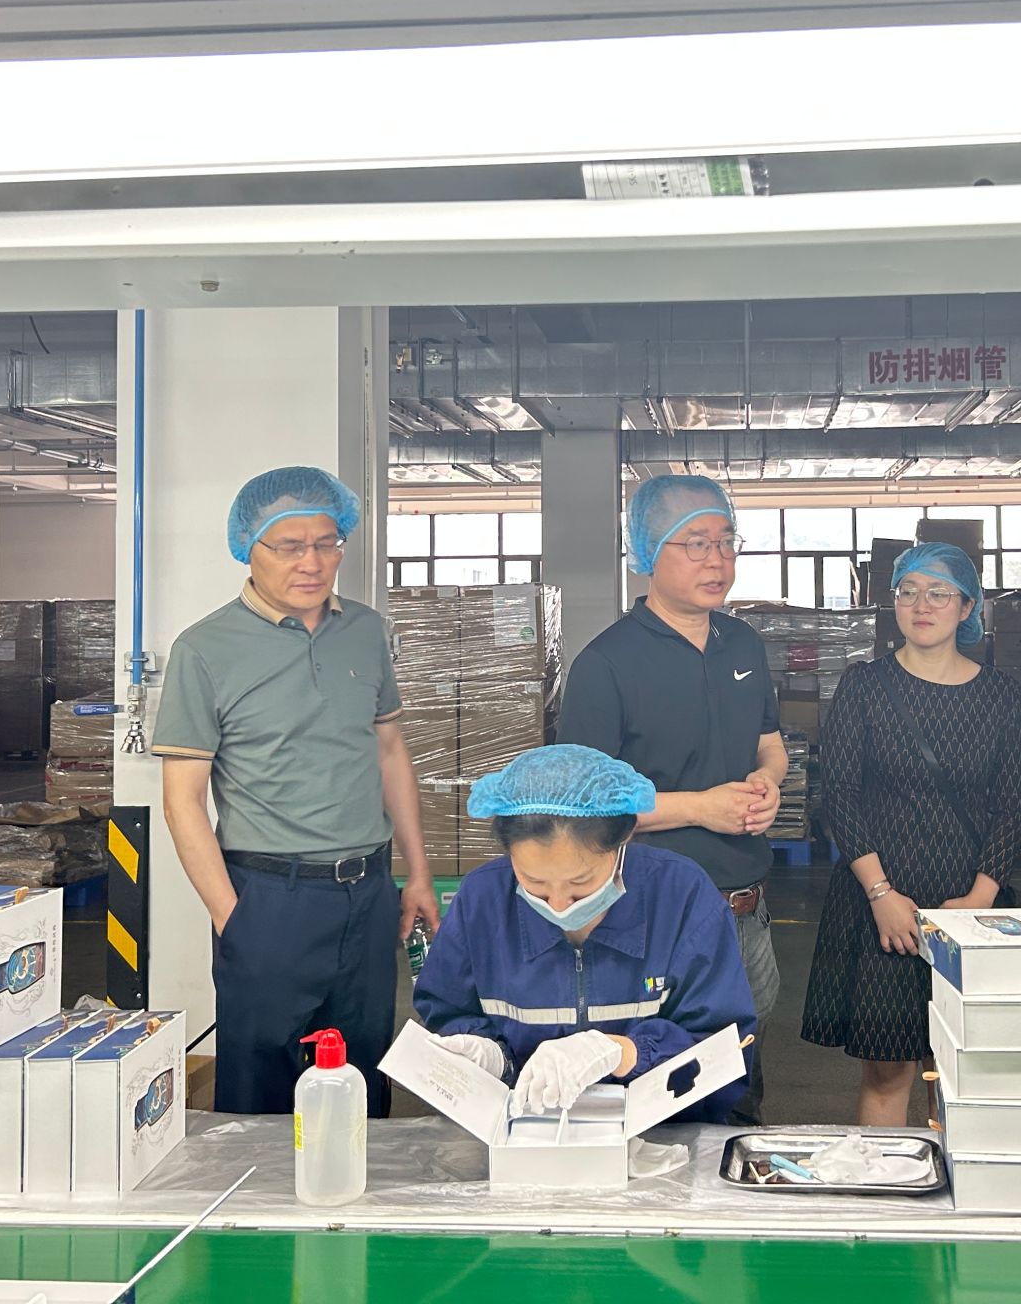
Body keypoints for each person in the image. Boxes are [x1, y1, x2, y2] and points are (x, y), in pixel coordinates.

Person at [151, 466, 439, 1117]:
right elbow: (182, 801)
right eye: (290, 546)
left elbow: (389, 750)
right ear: (248, 549)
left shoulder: (364, 630)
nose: (312, 563)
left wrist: (416, 873)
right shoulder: (205, 650)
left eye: (327, 543)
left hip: (368, 892)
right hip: (269, 896)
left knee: (363, 1075)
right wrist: (232, 918)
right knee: (260, 1089)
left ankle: (357, 1182)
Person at [557, 474, 785, 1120]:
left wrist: (769, 781)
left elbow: (770, 744)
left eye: (727, 542)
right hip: (652, 919)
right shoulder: (606, 665)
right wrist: (701, 807)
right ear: (649, 553)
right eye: (696, 544)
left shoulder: (743, 644)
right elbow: (585, 809)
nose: (718, 560)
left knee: (740, 1085)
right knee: (659, 1092)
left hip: (744, 912)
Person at [801, 542, 1021, 1126]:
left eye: (938, 593)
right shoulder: (864, 685)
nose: (921, 605)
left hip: (970, 901)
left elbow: (1012, 804)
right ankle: (885, 1179)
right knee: (887, 1072)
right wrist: (881, 895)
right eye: (908, 592)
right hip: (883, 903)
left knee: (963, 1073)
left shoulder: (1000, 695)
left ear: (967, 607)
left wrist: (979, 900)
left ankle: (957, 1182)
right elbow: (840, 795)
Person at [413, 744, 758, 1122]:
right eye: (535, 884)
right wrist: (490, 1057)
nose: (560, 905)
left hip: (660, 1136)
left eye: (580, 885)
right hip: (523, 1133)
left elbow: (726, 1052)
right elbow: (447, 1011)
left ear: (622, 841)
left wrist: (627, 1053)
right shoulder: (481, 902)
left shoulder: (682, 897)